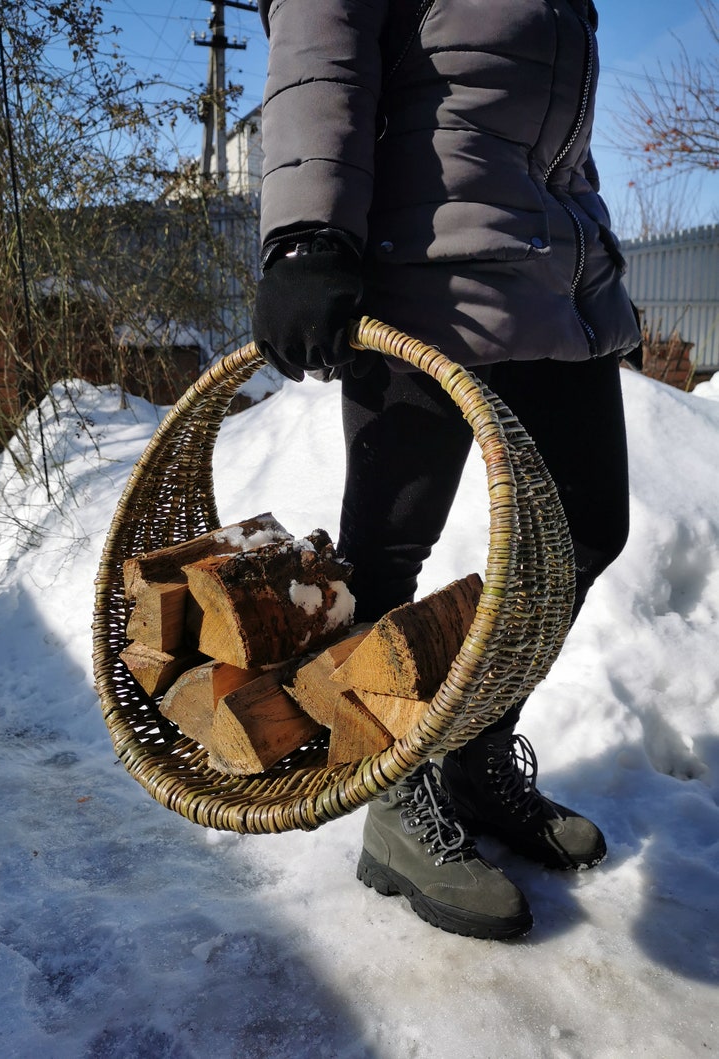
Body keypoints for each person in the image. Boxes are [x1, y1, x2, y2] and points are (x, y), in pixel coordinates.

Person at [252, 0, 641, 940]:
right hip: (416, 267)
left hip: (549, 270)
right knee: (387, 558)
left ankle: (469, 751)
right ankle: (394, 801)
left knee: (587, 525)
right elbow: (323, 34)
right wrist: (309, 232)